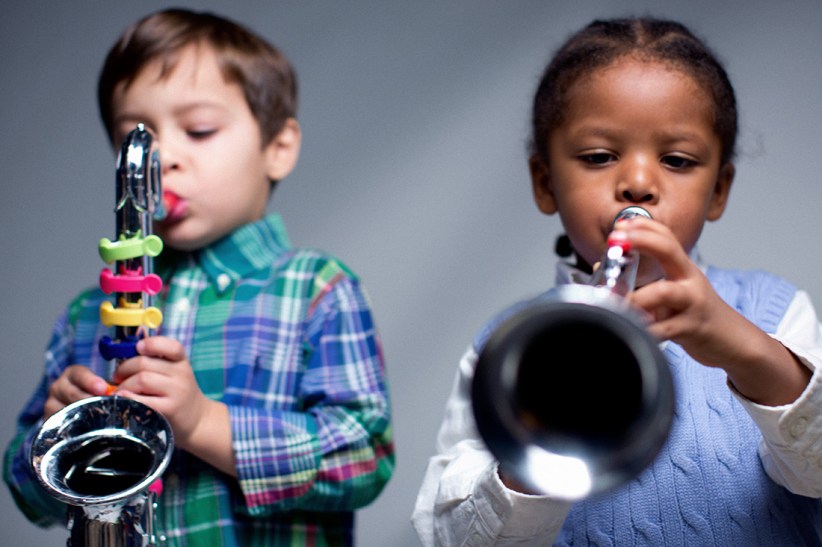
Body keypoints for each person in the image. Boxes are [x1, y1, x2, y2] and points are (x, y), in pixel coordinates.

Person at [412, 17, 822, 546]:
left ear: (718, 190)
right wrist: (541, 439)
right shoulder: (513, 347)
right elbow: (450, 537)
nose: (637, 184)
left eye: (677, 160)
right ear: (545, 184)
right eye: (599, 157)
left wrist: (746, 350)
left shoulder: (775, 310)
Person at [4, 8, 393, 546]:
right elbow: (24, 492)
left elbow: (365, 457)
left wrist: (205, 425)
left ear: (278, 148)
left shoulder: (318, 288)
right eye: (136, 138)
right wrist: (54, 440)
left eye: (200, 130)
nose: (162, 160)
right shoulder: (83, 315)